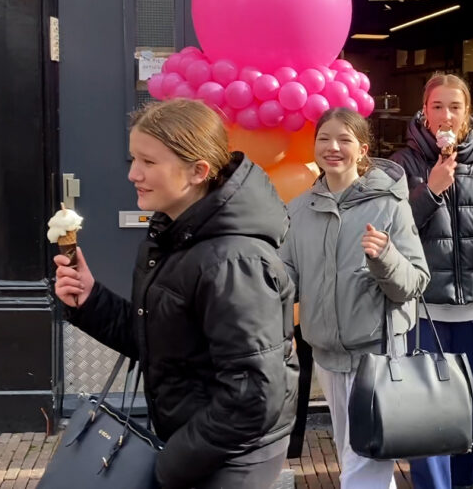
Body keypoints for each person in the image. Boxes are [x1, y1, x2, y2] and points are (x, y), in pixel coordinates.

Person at [52, 99, 298, 489]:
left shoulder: (234, 262)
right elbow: (161, 341)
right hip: (197, 446)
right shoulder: (173, 237)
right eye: (133, 158)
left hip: (229, 460)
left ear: (198, 171)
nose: (133, 173)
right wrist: (90, 300)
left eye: (148, 162)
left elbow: (253, 396)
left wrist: (174, 462)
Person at [282, 108, 430, 488]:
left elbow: (415, 282)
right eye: (324, 138)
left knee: (365, 458)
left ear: (363, 149)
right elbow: (285, 281)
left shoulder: (390, 204)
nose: (333, 147)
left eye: (344, 139)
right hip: (327, 355)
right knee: (357, 450)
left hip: (377, 353)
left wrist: (385, 257)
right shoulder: (299, 210)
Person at [390, 73, 473, 489]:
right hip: (425, 307)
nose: (446, 115)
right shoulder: (403, 164)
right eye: (437, 106)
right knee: (427, 405)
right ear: (424, 113)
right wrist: (431, 190)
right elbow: (393, 229)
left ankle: (463, 480)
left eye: (455, 107)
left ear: (467, 113)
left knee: (469, 401)